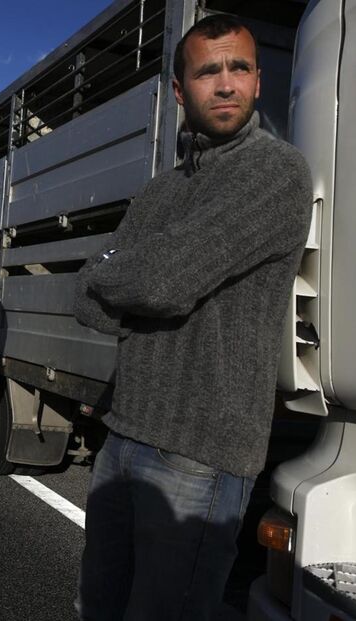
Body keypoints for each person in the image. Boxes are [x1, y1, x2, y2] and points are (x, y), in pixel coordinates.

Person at [73, 16, 312, 619]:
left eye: (239, 69)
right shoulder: (161, 190)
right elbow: (87, 302)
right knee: (96, 607)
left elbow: (160, 282)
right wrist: (135, 277)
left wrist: (123, 271)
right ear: (181, 90)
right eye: (209, 71)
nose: (226, 84)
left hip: (201, 453)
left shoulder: (275, 171)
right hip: (124, 433)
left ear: (259, 82)